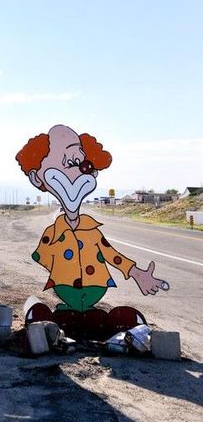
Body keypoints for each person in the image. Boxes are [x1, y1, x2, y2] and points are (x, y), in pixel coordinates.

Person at [15, 124, 167, 312]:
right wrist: (62, 269)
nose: (76, 173)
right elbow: (41, 256)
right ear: (36, 178)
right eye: (69, 164)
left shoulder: (91, 231)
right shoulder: (53, 233)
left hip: (96, 285)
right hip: (65, 287)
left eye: (84, 166)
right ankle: (69, 312)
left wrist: (137, 274)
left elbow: (112, 255)